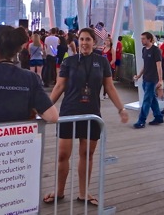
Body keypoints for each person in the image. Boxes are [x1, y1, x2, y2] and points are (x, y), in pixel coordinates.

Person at [43, 27, 128, 206]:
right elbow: (59, 87)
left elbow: (110, 87)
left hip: (91, 113)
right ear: (78, 41)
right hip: (69, 112)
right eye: (81, 39)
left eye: (88, 39)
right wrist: (46, 108)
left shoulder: (102, 62)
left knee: (87, 154)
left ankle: (83, 193)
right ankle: (59, 192)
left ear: (94, 42)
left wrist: (121, 108)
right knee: (63, 155)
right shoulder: (69, 62)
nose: (84, 43)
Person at [133, 32, 164, 129]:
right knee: (152, 99)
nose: (142, 40)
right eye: (141, 38)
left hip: (152, 79)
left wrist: (160, 80)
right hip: (145, 78)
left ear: (149, 39)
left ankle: (141, 121)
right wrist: (139, 75)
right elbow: (145, 65)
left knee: (146, 100)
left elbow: (159, 66)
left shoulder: (156, 50)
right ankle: (158, 117)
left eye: (143, 39)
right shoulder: (144, 50)